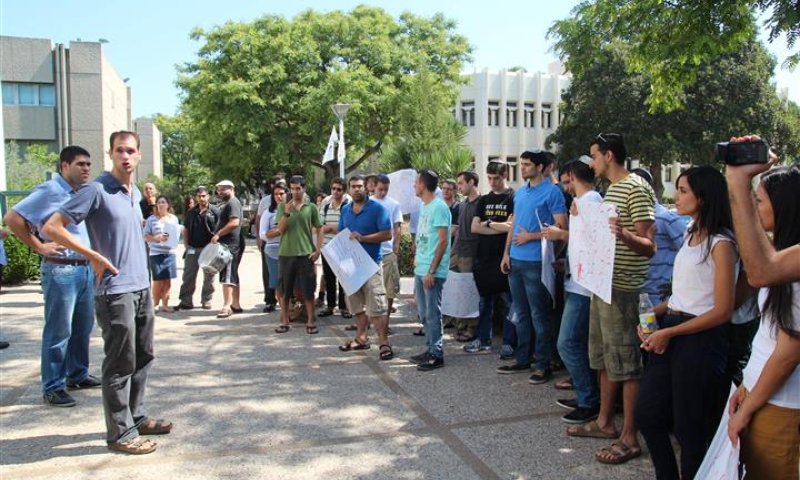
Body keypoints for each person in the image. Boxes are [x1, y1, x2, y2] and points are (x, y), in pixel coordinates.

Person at [43, 131, 172, 455]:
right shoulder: (96, 189)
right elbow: (52, 227)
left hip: (141, 286)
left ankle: (136, 417)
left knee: (143, 357)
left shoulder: (133, 192)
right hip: (115, 292)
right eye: (119, 151)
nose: (125, 156)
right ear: (111, 154)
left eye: (130, 151)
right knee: (119, 363)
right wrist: (93, 255)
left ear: (139, 155)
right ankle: (120, 434)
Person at [633, 166, 738, 479]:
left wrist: (670, 330)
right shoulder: (691, 232)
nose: (674, 196)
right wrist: (657, 314)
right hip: (673, 329)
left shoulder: (722, 244)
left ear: (703, 198)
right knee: (647, 414)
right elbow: (683, 293)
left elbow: (722, 310)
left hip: (701, 339)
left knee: (689, 428)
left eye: (682, 190)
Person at [566, 133, 655, 466]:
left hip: (623, 288)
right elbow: (600, 238)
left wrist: (624, 233)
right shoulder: (609, 192)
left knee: (627, 363)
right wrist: (580, 218)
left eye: (594, 156)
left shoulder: (635, 187)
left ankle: (629, 436)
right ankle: (605, 422)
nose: (592, 163)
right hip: (602, 285)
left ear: (609, 155)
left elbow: (649, 245)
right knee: (604, 358)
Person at [725, 138, 800, 480]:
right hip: (762, 397)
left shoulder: (789, 271)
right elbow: (769, 339)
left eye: (759, 202)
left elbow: (787, 356)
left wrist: (738, 180)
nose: (753, 210)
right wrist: (746, 387)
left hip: (782, 407)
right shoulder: (786, 260)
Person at [4, 145, 99, 408]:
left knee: (83, 327)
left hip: (84, 268)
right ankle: (53, 386)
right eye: (80, 164)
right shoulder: (50, 190)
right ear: (64, 166)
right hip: (61, 269)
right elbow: (12, 218)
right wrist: (39, 246)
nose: (86, 169)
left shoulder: (81, 194)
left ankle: (77, 374)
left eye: (89, 164)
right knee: (59, 330)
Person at [497, 150, 567, 385]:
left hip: (537, 263)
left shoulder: (552, 192)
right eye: (522, 164)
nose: (523, 168)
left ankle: (543, 364)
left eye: (527, 164)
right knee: (521, 312)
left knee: (540, 314)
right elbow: (514, 223)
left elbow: (561, 229)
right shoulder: (520, 192)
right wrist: (506, 253)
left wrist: (533, 237)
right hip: (515, 260)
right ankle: (523, 358)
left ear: (540, 166)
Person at [541, 157, 602, 424]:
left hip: (584, 287)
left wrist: (561, 235)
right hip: (576, 280)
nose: (565, 188)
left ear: (573, 177)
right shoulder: (583, 202)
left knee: (566, 343)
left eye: (566, 182)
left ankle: (590, 400)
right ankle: (587, 395)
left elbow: (596, 241)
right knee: (575, 343)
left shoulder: (591, 201)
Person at [336, 175, 394, 360]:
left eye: (360, 186)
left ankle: (384, 343)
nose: (357, 189)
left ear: (366, 188)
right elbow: (341, 234)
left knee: (377, 307)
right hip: (350, 267)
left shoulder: (378, 209)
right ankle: (361, 339)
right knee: (356, 306)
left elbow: (387, 234)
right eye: (353, 187)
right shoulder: (345, 210)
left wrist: (364, 238)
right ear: (349, 189)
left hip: (371, 265)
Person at [468, 161, 516, 358]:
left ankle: (509, 343)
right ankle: (483, 339)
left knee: (508, 303)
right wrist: (498, 224)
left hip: (504, 257)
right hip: (484, 258)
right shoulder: (484, 200)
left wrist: (489, 224)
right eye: (489, 178)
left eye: (497, 178)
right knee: (484, 302)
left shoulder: (513, 197)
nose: (493, 182)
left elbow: (512, 227)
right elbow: (474, 228)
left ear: (505, 174)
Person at [409, 170, 451, 371]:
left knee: (432, 313)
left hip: (432, 271)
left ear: (423, 185)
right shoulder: (425, 206)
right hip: (422, 268)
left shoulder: (439, 207)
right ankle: (429, 348)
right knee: (423, 313)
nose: (414, 186)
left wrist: (432, 271)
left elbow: (443, 241)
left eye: (416, 182)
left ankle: (437, 354)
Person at [273, 175, 324, 335]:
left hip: (305, 254)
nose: (295, 192)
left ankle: (310, 320)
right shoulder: (283, 207)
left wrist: (318, 249)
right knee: (285, 290)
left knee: (308, 289)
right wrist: (286, 213)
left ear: (304, 188)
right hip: (286, 253)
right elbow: (279, 230)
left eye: (298, 188)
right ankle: (285, 321)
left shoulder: (311, 207)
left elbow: (319, 227)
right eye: (292, 188)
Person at [631, 168, 689, 306]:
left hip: (659, 298)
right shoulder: (631, 217)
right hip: (638, 294)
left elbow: (689, 252)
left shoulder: (665, 219)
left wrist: (676, 286)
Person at [450, 171, 481, 343]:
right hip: (458, 250)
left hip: (471, 252)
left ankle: (471, 328)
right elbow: (458, 230)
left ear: (471, 182)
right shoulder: (461, 205)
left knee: (469, 291)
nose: (459, 187)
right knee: (456, 289)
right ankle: (460, 324)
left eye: (461, 183)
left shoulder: (481, 202)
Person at [176, 187, 218, 310]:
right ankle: (186, 301)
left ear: (208, 196)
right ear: (196, 197)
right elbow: (186, 229)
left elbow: (220, 228)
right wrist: (187, 246)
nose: (201, 198)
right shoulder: (191, 212)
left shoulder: (215, 211)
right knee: (188, 276)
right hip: (193, 248)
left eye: (204, 196)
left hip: (209, 249)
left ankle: (207, 300)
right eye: (199, 196)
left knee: (209, 276)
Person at [318, 177, 351, 319]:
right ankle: (330, 306)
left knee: (344, 279)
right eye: (334, 189)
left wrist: (331, 228)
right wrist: (331, 228)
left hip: (343, 247)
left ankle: (344, 307)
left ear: (344, 191)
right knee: (329, 278)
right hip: (327, 247)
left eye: (339, 189)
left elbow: (347, 228)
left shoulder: (347, 205)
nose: (336, 192)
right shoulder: (325, 205)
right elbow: (319, 226)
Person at [371, 174, 402, 319]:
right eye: (380, 189)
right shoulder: (368, 203)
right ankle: (371, 320)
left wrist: (395, 250)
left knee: (390, 290)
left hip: (388, 252)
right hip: (370, 252)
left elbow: (397, 228)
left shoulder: (394, 204)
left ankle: (386, 320)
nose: (383, 192)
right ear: (374, 187)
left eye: (386, 190)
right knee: (371, 289)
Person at [212, 180, 244, 318]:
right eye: (218, 190)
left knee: (228, 275)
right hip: (231, 243)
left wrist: (218, 234)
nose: (219, 192)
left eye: (222, 189)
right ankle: (235, 304)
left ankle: (227, 306)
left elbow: (234, 222)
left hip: (230, 244)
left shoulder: (232, 203)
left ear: (231, 189)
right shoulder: (230, 203)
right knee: (233, 273)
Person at [143, 195, 180, 313]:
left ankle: (165, 305)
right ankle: (154, 305)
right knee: (158, 280)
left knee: (168, 280)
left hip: (170, 252)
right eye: (159, 202)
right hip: (156, 253)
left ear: (168, 205)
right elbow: (145, 236)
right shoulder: (151, 219)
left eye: (163, 202)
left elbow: (177, 233)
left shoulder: (173, 219)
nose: (161, 204)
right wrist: (156, 238)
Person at [259, 182, 289, 323]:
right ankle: (284, 313)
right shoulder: (268, 212)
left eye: (281, 194)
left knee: (291, 283)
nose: (278, 196)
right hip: (273, 250)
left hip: (290, 249)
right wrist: (278, 230)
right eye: (276, 194)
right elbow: (263, 234)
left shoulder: (292, 209)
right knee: (278, 283)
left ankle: (294, 311)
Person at [255, 175, 284, 313]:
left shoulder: (291, 204)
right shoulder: (265, 203)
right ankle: (270, 300)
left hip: (287, 248)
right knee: (269, 274)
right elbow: (259, 220)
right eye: (277, 186)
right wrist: (259, 239)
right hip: (270, 245)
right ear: (272, 187)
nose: (279, 195)